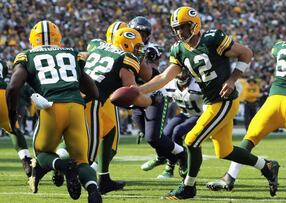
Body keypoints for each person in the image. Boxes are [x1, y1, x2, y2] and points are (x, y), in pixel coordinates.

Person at [137, 6, 280, 199]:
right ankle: (267, 166)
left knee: (191, 140)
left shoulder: (212, 39)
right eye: (177, 28)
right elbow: (163, 77)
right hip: (211, 102)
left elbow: (246, 53)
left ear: (194, 25)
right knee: (225, 151)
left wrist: (232, 79)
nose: (180, 32)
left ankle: (188, 186)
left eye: (184, 27)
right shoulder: (178, 49)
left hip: (224, 100)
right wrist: (138, 90)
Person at [206, 15, 286, 195]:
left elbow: (280, 53)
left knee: (249, 140)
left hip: (272, 101)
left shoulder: (280, 47)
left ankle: (230, 177)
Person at [6, 20, 102, 203]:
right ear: (59, 39)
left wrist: (12, 116)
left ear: (33, 40)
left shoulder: (27, 56)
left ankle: (64, 166)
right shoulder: (72, 53)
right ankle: (93, 191)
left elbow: (12, 88)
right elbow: (94, 92)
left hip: (52, 108)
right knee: (82, 160)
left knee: (42, 154)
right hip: (75, 108)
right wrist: (78, 101)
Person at [55, 21, 129, 194]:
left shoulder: (96, 45)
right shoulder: (121, 56)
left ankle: (102, 177)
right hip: (98, 99)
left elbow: (81, 56)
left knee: (104, 132)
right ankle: (69, 169)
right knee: (92, 145)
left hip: (81, 93)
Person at [128, 16, 188, 176]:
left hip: (154, 96)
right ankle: (166, 157)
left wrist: (137, 54)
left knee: (154, 137)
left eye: (143, 32)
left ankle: (178, 157)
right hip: (136, 99)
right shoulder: (123, 48)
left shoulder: (151, 49)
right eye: (137, 32)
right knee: (151, 138)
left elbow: (150, 74)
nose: (140, 35)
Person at [157, 69, 203, 179]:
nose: (181, 75)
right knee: (165, 134)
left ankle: (183, 163)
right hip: (184, 114)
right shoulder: (170, 84)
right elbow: (162, 99)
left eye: (183, 73)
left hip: (199, 115)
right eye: (179, 73)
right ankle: (170, 166)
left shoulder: (197, 85)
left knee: (177, 131)